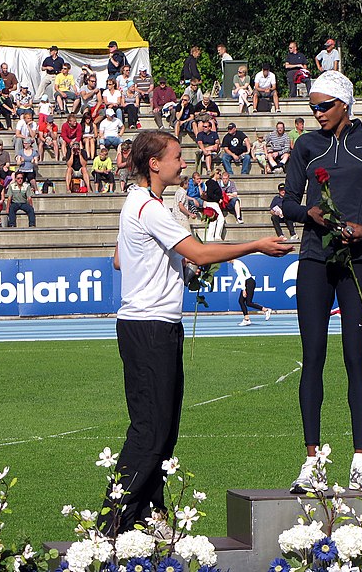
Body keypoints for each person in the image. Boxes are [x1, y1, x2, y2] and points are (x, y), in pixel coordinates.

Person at [98, 130, 291, 536]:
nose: (183, 163)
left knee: (162, 430)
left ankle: (149, 518)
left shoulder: (135, 203)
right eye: (176, 157)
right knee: (151, 431)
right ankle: (110, 524)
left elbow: (119, 260)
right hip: (150, 327)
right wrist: (255, 244)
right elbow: (200, 252)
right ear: (154, 164)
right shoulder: (150, 209)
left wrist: (176, 265)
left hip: (149, 325)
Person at [281, 70, 362, 494]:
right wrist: (306, 214)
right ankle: (312, 463)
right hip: (314, 260)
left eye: (323, 106)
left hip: (358, 262)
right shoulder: (306, 146)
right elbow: (286, 201)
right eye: (312, 106)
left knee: (355, 359)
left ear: (344, 104)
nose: (316, 114)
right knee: (312, 358)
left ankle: (361, 461)